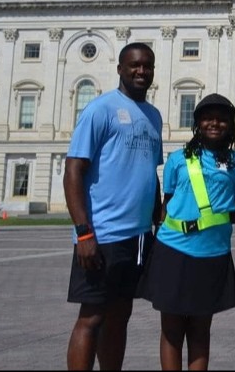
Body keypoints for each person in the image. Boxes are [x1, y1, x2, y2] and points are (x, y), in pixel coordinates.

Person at [64, 42, 163, 372]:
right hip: (102, 233)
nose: (141, 71)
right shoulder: (100, 109)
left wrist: (158, 215)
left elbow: (150, 170)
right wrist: (83, 233)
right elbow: (74, 170)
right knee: (91, 316)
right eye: (135, 65)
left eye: (147, 66)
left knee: (120, 316)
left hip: (137, 236)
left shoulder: (153, 116)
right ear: (120, 68)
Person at [140, 93, 235, 371]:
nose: (215, 123)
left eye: (222, 119)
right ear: (198, 123)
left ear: (230, 124)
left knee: (201, 329)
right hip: (173, 249)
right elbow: (167, 203)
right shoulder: (179, 159)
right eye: (208, 118)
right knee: (172, 328)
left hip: (213, 253)